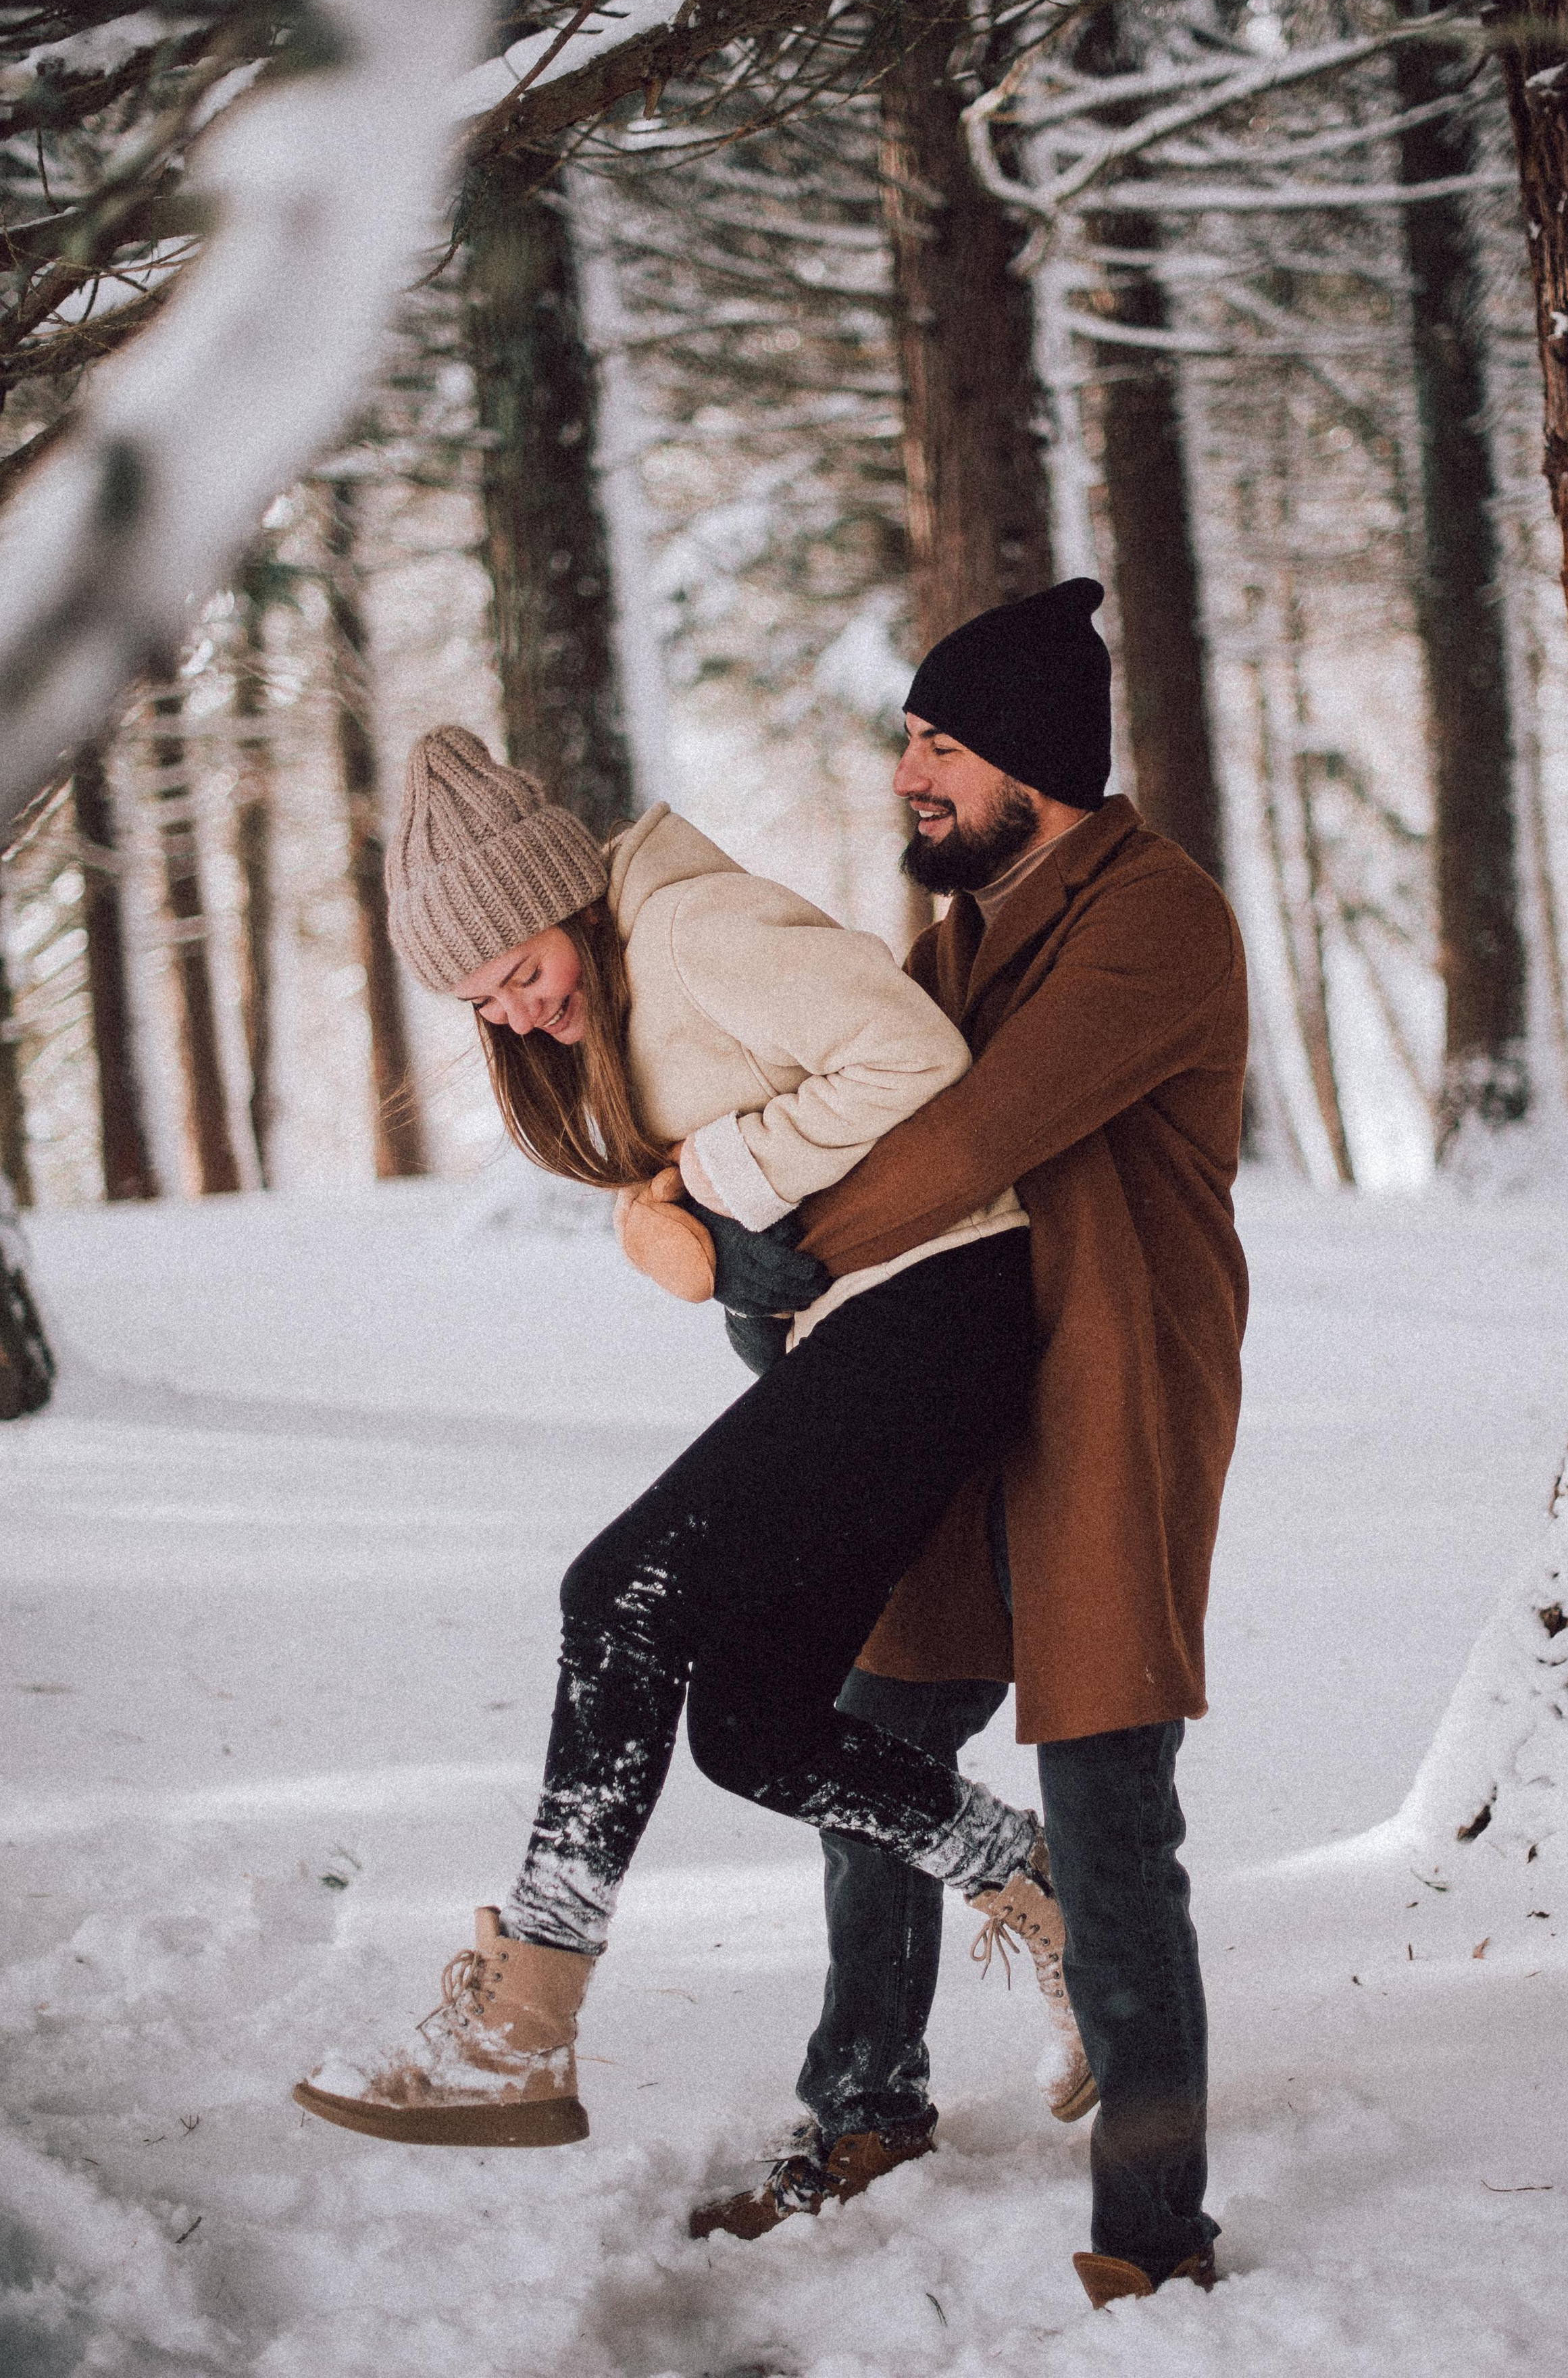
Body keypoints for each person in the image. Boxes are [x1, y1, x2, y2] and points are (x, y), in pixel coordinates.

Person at [292, 724, 1084, 2149]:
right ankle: (1035, 1884)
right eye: (485, 1003)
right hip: (868, 1327)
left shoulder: (694, 922)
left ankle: (524, 2016)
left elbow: (908, 1056)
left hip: (942, 1300)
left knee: (617, 1592)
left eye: (521, 974)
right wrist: (684, 1223)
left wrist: (711, 1179)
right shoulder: (616, 983)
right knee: (754, 1725)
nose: (520, 1017)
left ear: (565, 898)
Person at [688, 578, 1250, 2312]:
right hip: (949, 1377)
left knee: (1102, 1806)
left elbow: (979, 1131)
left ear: (1034, 756)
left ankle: (1149, 2232)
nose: (907, 771)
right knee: (871, 1730)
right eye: (908, 738)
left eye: (940, 742)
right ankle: (863, 2105)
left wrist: (784, 1246)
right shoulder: (966, 930)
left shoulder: (1152, 916)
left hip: (1105, 1385)